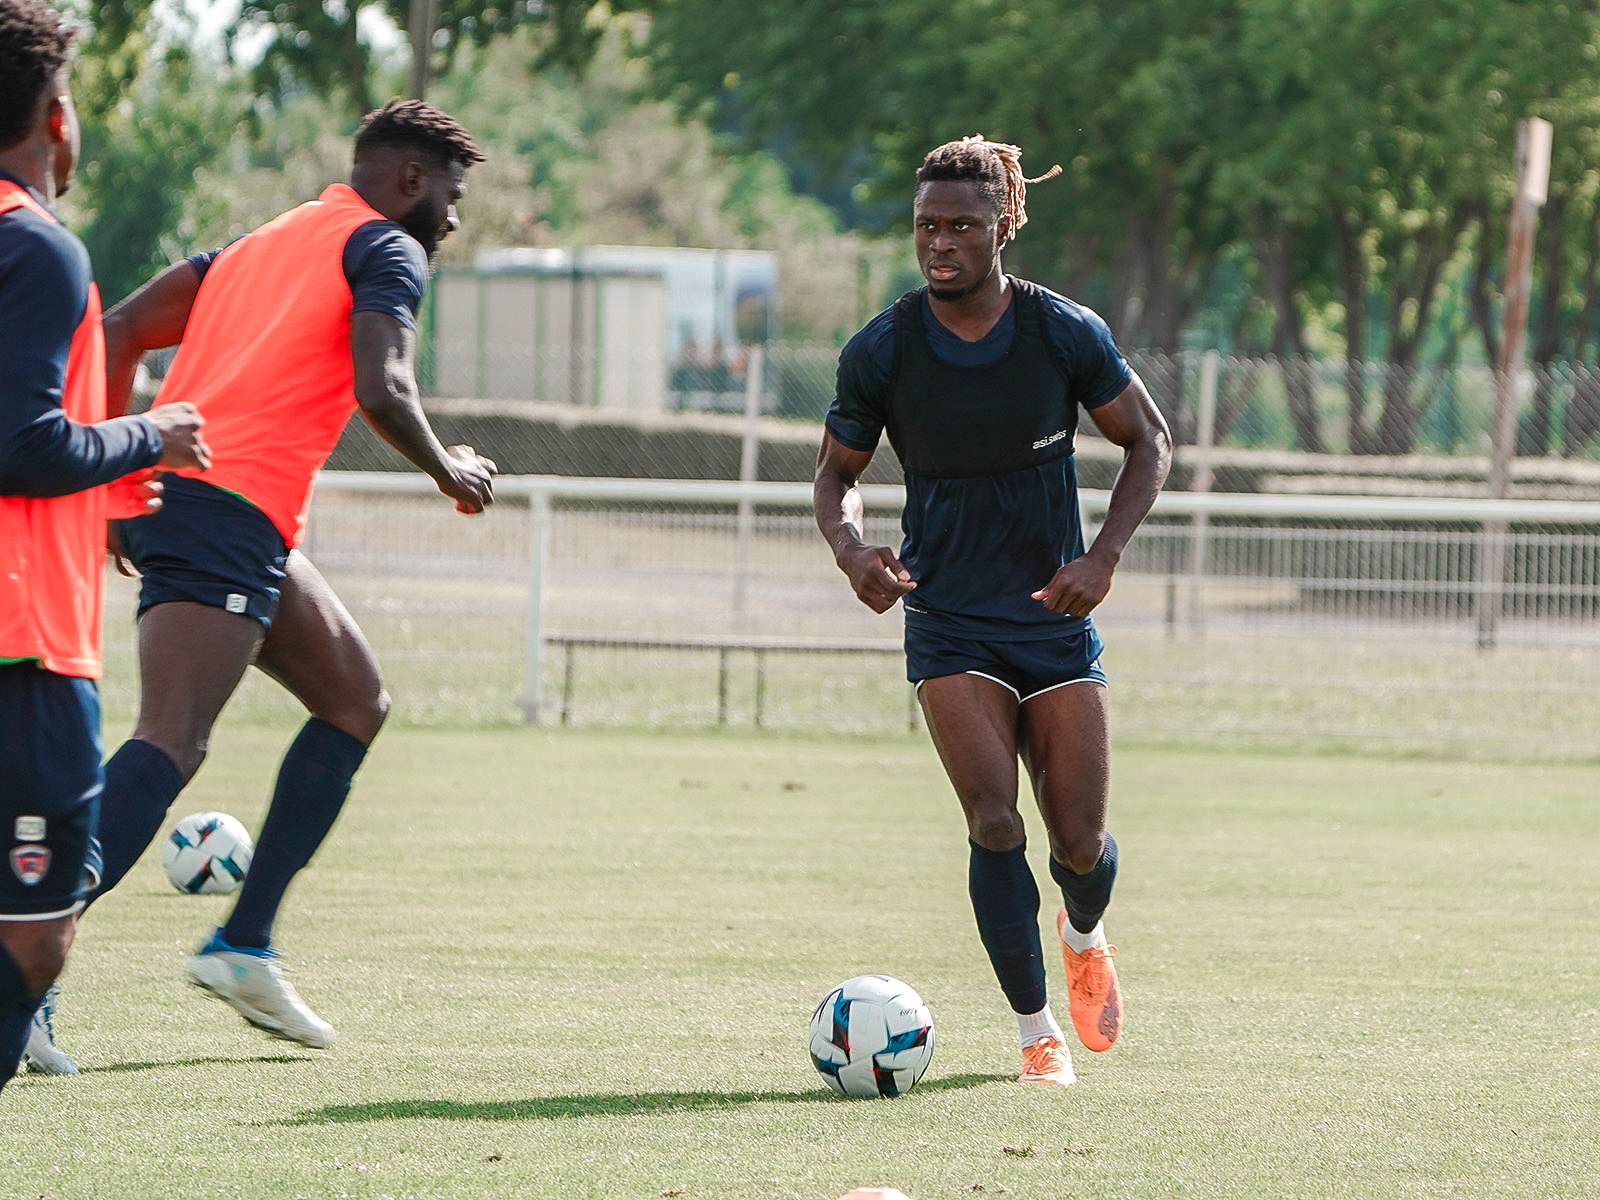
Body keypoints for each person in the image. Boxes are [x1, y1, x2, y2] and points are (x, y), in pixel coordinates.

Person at [34, 99, 498, 1065]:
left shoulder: (264, 241)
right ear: (411, 182)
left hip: (221, 517)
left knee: (355, 700)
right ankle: (21, 970)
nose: (452, 220)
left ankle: (244, 943)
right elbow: (385, 386)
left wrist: (123, 490)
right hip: (224, 513)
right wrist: (449, 470)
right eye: (451, 197)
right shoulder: (385, 249)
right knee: (170, 740)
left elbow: (116, 333)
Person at [813, 136, 1172, 1087]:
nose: (940, 242)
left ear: (1004, 227)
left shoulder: (1062, 331)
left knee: (1080, 845)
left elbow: (1151, 443)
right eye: (927, 225)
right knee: (993, 824)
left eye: (962, 225)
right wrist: (853, 550)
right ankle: (1034, 1033)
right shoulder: (884, 348)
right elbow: (835, 477)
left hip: (1053, 616)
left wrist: (1103, 556)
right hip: (949, 621)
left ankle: (1084, 931)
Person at [0, 0, 208, 1087]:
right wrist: (153, 437)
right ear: (58, 117)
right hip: (22, 652)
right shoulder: (36, 248)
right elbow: (23, 443)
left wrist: (112, 500)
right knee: (37, 934)